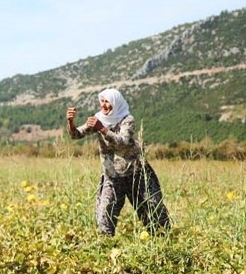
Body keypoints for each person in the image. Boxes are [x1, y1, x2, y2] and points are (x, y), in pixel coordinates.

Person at [67, 88, 171, 236]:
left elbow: (122, 142)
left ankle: (163, 239)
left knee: (151, 208)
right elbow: (76, 135)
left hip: (135, 173)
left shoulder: (127, 120)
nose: (103, 105)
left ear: (116, 103)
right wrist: (70, 122)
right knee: (105, 213)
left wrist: (102, 129)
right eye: (102, 101)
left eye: (107, 102)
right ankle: (106, 247)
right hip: (112, 175)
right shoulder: (98, 119)